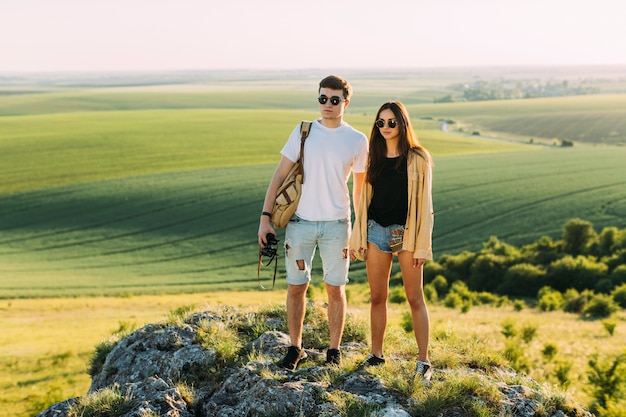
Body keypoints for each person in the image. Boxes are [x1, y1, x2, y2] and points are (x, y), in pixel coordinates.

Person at [258, 75, 368, 370]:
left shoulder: (357, 140)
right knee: (296, 286)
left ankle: (334, 351)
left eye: (334, 100)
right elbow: (279, 176)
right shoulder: (303, 131)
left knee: (335, 288)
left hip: (337, 226)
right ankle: (295, 348)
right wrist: (264, 219)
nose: (327, 105)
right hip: (300, 224)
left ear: (346, 102)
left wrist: (359, 229)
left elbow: (359, 190)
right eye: (323, 99)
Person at [349, 101, 434, 383]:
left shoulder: (419, 158)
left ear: (402, 123)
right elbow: (363, 203)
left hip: (406, 234)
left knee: (414, 298)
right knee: (377, 297)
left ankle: (423, 361)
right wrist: (357, 236)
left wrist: (422, 246)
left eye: (391, 122)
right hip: (376, 231)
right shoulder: (372, 156)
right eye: (380, 123)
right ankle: (376, 354)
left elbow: (425, 206)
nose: (385, 127)